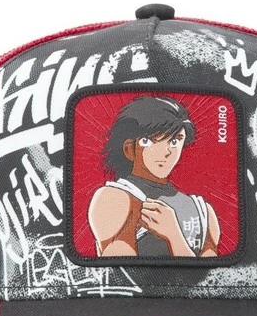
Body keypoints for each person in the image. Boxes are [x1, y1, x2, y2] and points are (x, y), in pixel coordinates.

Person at [88, 96, 220, 257]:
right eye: (149, 141)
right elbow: (120, 268)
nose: (166, 151)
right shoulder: (114, 198)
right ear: (129, 149)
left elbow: (210, 272)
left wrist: (174, 236)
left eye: (174, 141)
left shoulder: (203, 210)